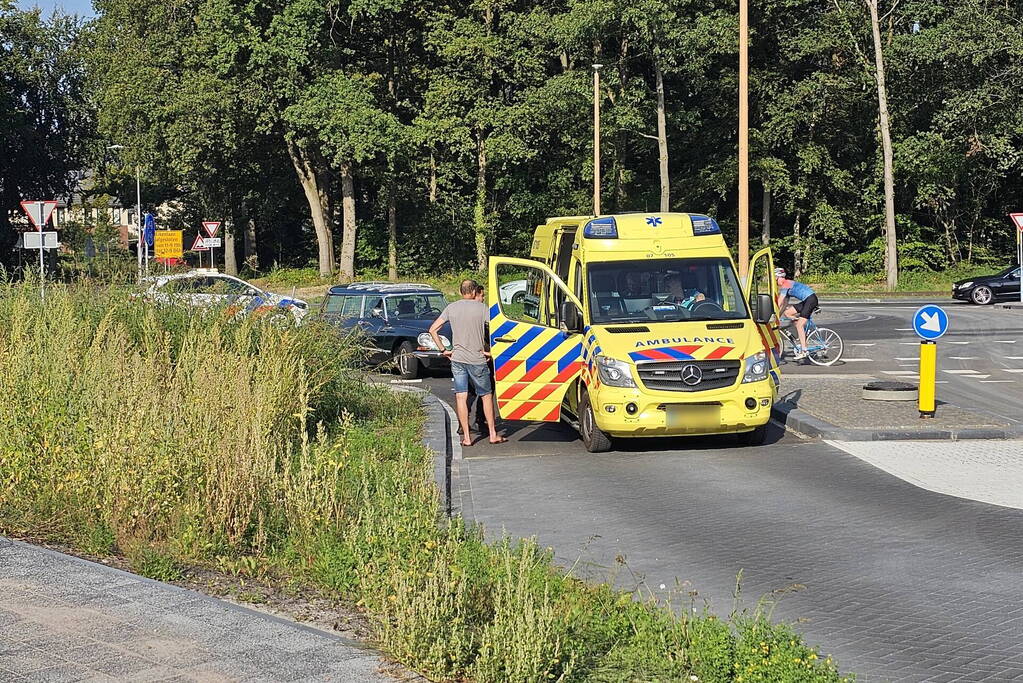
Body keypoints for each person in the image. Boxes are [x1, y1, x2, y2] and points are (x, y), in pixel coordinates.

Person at [429, 279, 506, 447]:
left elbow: (432, 329)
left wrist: (444, 350)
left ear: (460, 291)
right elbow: (499, 329)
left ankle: (466, 438)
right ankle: (493, 434)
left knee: (461, 397)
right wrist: (492, 352)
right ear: (474, 292)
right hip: (477, 359)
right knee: (486, 396)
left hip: (457, 359)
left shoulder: (451, 308)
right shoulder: (482, 308)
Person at [775, 267, 818, 360]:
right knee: (788, 313)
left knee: (799, 325)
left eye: (775, 279)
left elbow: (779, 302)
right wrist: (777, 316)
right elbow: (784, 305)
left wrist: (772, 313)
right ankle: (802, 334)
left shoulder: (785, 284)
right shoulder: (786, 286)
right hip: (807, 300)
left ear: (778, 277)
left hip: (810, 300)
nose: (775, 282)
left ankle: (804, 350)